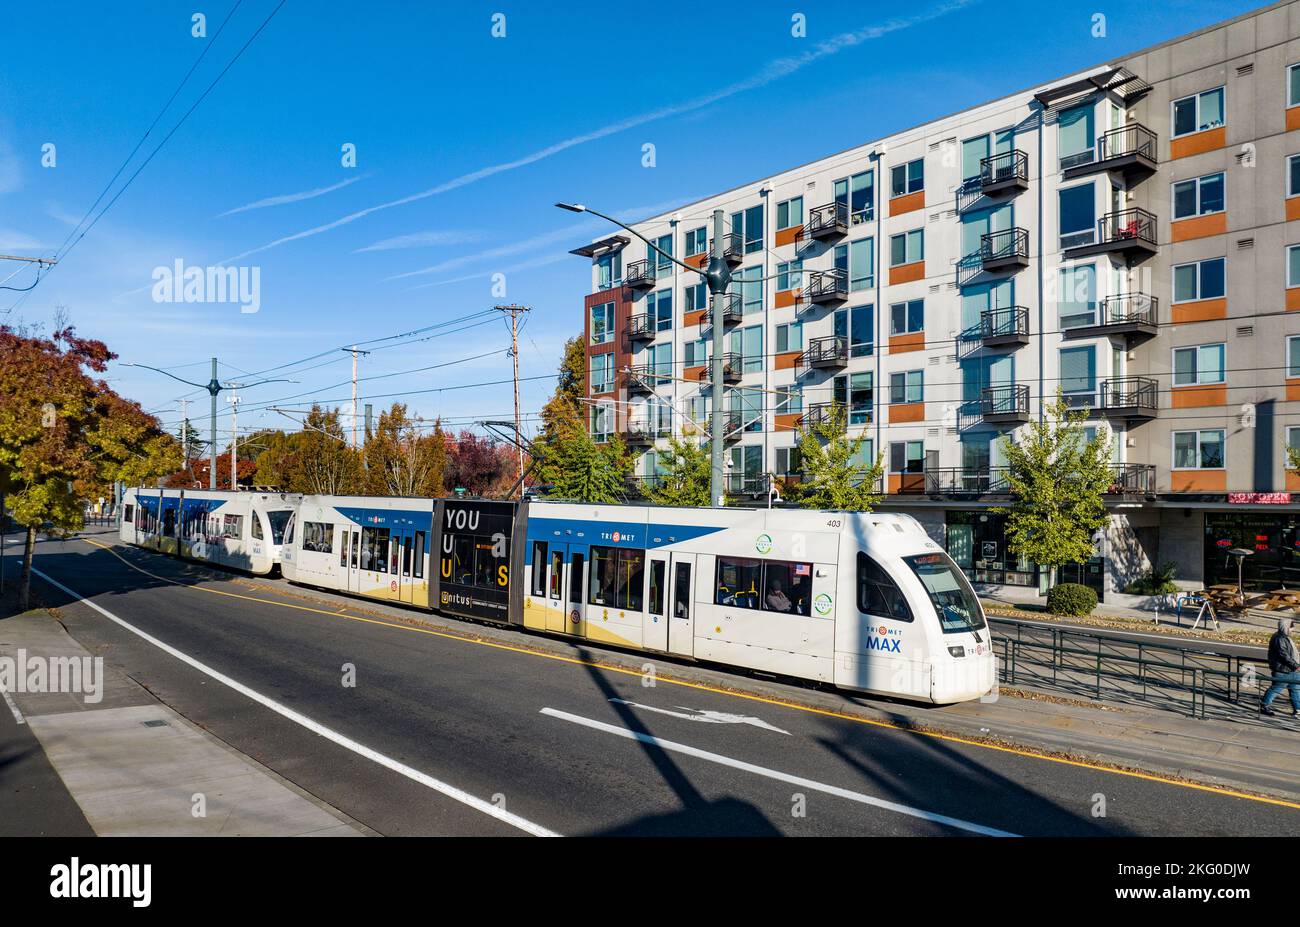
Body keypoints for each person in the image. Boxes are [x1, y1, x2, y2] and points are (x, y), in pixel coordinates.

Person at [1261, 616, 1300, 717]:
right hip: (1283, 670)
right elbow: (1284, 655)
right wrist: (1296, 666)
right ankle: (1264, 706)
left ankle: (1298, 710)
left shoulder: (1284, 637)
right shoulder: (1279, 638)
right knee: (1276, 689)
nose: (1293, 629)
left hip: (1291, 670)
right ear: (1286, 627)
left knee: (1295, 690)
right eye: (1291, 627)